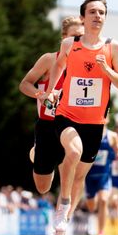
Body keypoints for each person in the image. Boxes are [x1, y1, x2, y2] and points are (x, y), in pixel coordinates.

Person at [44, 0, 118, 235]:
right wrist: (51, 91)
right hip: (67, 114)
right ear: (83, 17)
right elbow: (58, 67)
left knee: (80, 176)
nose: (97, 16)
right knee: (73, 151)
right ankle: (63, 204)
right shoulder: (71, 44)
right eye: (92, 12)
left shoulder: (112, 47)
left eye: (101, 12)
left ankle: (63, 225)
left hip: (96, 122)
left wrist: (107, 70)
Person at [19, 16, 84, 194]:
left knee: (75, 163)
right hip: (48, 125)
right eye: (75, 37)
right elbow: (25, 84)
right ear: (64, 38)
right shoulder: (49, 60)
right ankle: (40, 154)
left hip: (73, 125)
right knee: (42, 188)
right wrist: (41, 94)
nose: (79, 41)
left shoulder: (88, 64)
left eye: (82, 37)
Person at [84, 122, 118, 235]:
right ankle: (94, 222)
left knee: (104, 200)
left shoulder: (112, 136)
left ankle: (100, 233)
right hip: (89, 175)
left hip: (104, 175)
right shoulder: (88, 132)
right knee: (91, 205)